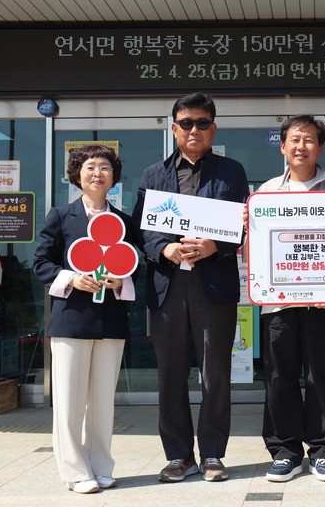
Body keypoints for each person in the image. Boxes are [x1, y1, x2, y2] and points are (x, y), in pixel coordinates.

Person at [133, 93, 249, 483]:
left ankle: (213, 453)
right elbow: (140, 229)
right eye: (186, 123)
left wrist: (217, 245)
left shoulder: (232, 171)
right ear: (174, 128)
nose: (194, 129)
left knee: (215, 374)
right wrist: (163, 248)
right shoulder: (153, 174)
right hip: (168, 285)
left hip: (213, 283)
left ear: (213, 128)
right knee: (171, 374)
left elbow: (243, 225)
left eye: (202, 123)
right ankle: (178, 455)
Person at [254, 115, 325, 482]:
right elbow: (256, 250)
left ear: (320, 147)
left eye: (309, 140)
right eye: (295, 140)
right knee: (279, 377)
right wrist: (248, 224)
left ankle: (324, 451)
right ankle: (285, 451)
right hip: (279, 301)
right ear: (282, 146)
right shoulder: (266, 192)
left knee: (321, 376)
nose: (302, 147)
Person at [33, 144, 135, 494]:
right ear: (77, 175)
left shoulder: (123, 221)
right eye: (90, 166)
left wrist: (122, 281)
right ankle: (76, 472)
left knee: (103, 402)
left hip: (111, 321)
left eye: (104, 167)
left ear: (113, 176)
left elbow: (135, 265)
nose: (97, 173)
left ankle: (101, 466)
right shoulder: (61, 216)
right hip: (72, 320)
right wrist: (72, 278)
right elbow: (41, 263)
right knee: (69, 402)